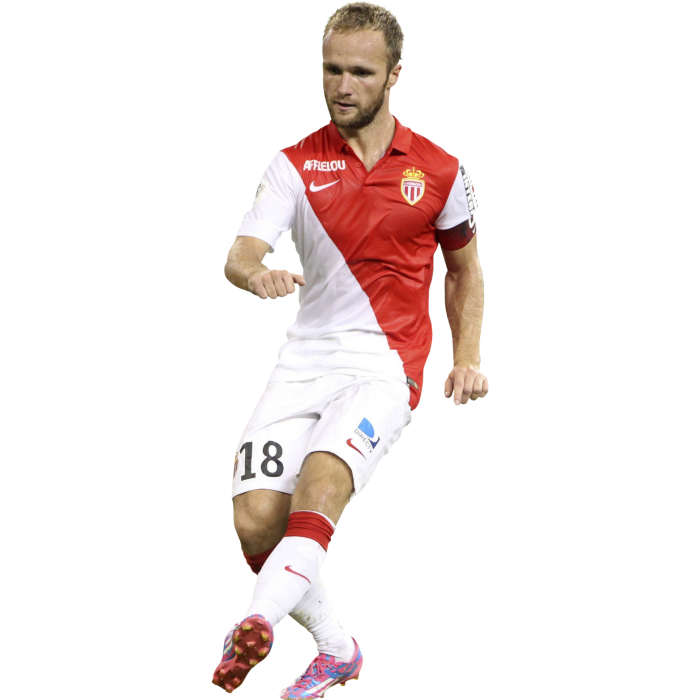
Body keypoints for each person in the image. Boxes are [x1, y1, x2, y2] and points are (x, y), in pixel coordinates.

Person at [213, 2, 487, 696]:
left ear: (394, 74)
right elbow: (240, 255)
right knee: (254, 522)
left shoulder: (441, 169)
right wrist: (256, 273)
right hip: (304, 360)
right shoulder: (291, 166)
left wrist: (467, 357)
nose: (342, 86)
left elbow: (464, 271)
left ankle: (254, 623)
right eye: (331, 69)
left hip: (385, 367)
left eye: (360, 72)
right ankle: (338, 650)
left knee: (321, 485)